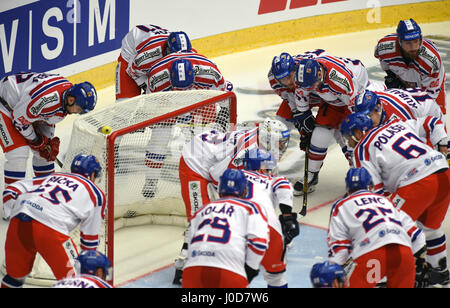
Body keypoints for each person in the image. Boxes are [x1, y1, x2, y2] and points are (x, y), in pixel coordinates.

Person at [173, 118, 290, 284]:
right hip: (195, 162)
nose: (282, 148)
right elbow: (217, 177)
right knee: (200, 217)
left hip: (214, 158)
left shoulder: (262, 146)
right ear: (267, 139)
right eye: (279, 143)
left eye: (284, 143)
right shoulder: (246, 152)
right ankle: (184, 263)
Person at [340, 112, 450, 286]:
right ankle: (439, 271)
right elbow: (432, 121)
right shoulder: (396, 124)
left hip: (417, 182)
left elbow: (372, 194)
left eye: (348, 136)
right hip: (444, 173)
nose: (349, 142)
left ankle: (383, 277)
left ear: (358, 132)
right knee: (429, 228)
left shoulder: (362, 147)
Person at [135, 52, 233, 199]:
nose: (183, 92)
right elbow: (150, 103)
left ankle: (204, 178)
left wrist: (223, 115)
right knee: (158, 139)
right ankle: (151, 181)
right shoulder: (157, 78)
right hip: (167, 101)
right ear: (169, 76)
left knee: (202, 143)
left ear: (194, 75)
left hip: (198, 100)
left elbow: (228, 95)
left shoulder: (208, 72)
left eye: (185, 87)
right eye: (179, 87)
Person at [1, 154, 106, 288]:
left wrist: (12, 211)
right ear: (92, 174)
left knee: (14, 278)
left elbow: (12, 189)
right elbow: (89, 241)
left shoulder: (52, 177)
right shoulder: (96, 194)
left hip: (19, 220)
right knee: (80, 282)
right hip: (50, 228)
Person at [289, 53, 382, 196]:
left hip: (354, 99)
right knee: (318, 137)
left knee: (353, 142)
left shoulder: (340, 79)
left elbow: (356, 108)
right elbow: (301, 95)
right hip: (333, 101)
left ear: (320, 73)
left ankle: (363, 181)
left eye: (312, 84)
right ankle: (312, 176)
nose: (310, 88)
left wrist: (355, 129)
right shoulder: (304, 78)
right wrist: (303, 117)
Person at [328, 167, 427, 288]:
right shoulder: (387, 202)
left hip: (371, 255)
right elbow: (418, 236)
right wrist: (420, 264)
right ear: (370, 185)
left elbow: (340, 249)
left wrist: (334, 273)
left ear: (347, 187)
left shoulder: (341, 205)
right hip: (403, 254)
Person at [0, 72, 97, 187]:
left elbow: (47, 119)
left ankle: (46, 195)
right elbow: (19, 121)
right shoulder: (47, 100)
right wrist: (36, 140)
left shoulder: (66, 99)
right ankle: (11, 201)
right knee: (19, 153)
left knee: (45, 155)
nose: (78, 113)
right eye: (79, 109)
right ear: (71, 100)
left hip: (24, 107)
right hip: (5, 101)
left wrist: (45, 143)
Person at [182, 168, 269, 288]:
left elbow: (190, 243)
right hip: (228, 272)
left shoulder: (201, 210)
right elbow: (259, 244)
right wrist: (250, 270)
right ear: (244, 191)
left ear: (219, 189)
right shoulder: (251, 208)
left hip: (192, 271)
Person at [242, 148, 298, 288]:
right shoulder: (272, 179)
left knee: (232, 273)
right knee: (276, 278)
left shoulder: (234, 175)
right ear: (259, 167)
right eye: (267, 167)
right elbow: (284, 186)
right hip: (267, 225)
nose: (269, 171)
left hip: (235, 223)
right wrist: (287, 217)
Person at [374, 18, 446, 116]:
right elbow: (381, 58)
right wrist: (391, 76)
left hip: (430, 88)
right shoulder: (385, 47)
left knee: (435, 119)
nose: (413, 48)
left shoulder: (431, 61)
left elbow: (429, 98)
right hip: (405, 84)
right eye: (408, 43)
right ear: (399, 41)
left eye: (416, 41)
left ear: (421, 39)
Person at [353, 89, 447, 156]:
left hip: (428, 110)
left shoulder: (398, 116)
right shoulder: (372, 104)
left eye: (369, 115)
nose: (366, 121)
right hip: (409, 100)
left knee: (439, 151)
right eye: (362, 117)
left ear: (379, 108)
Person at [115, 24, 193, 101]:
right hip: (130, 59)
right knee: (125, 103)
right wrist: (146, 87)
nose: (179, 57)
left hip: (151, 47)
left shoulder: (189, 53)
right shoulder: (150, 56)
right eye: (174, 55)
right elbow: (131, 70)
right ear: (167, 50)